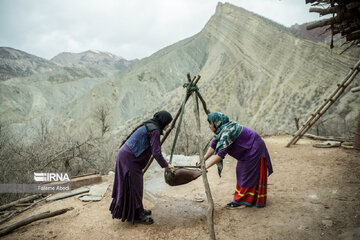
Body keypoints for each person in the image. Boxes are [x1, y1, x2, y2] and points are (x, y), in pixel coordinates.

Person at [109, 110, 173, 224]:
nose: (168, 126)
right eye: (168, 123)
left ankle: (137, 210)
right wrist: (166, 165)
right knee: (135, 187)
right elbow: (156, 152)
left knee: (134, 186)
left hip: (126, 155)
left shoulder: (150, 126)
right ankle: (139, 215)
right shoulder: (155, 131)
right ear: (163, 122)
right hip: (129, 159)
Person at [199, 112, 273, 208]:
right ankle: (247, 198)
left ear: (216, 123)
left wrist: (205, 166)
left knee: (246, 173)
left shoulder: (227, 133)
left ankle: (242, 201)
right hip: (248, 148)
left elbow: (220, 155)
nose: (209, 126)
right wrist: (203, 160)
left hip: (254, 148)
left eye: (210, 124)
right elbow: (213, 146)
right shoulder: (221, 130)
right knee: (241, 172)